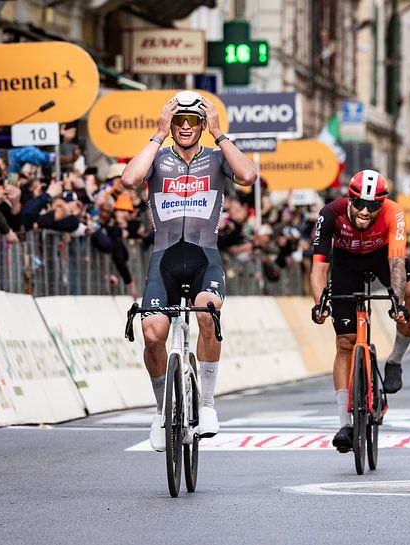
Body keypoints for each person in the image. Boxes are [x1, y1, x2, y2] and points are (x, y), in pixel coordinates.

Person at [120, 90, 257, 451]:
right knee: (151, 333)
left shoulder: (215, 157)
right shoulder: (158, 157)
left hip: (203, 256)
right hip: (163, 258)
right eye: (178, 121)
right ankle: (162, 411)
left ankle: (208, 404)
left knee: (208, 313)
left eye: (191, 121)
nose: (184, 127)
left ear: (201, 125)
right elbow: (129, 180)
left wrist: (219, 133)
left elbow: (247, 175)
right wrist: (157, 134)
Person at [310, 169, 410, 452]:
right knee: (345, 344)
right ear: (349, 199)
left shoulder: (393, 212)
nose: (365, 210)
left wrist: (398, 303)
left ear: (381, 204)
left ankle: (396, 359)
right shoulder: (330, 213)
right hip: (346, 263)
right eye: (359, 203)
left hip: (382, 257)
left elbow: (397, 262)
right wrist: (319, 303)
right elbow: (319, 267)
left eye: (373, 205)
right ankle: (344, 424)